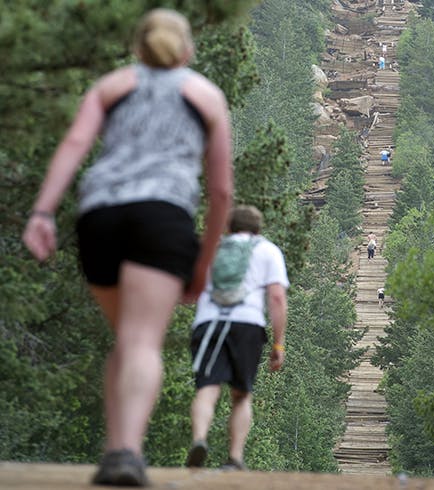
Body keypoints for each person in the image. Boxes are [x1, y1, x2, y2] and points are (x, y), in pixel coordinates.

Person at [21, 8, 233, 487]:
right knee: (142, 341)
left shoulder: (112, 86)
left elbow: (76, 142)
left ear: (138, 47)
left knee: (126, 337)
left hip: (101, 214)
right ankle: (127, 454)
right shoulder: (205, 96)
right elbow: (221, 192)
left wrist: (42, 212)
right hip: (163, 215)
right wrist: (205, 258)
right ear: (187, 50)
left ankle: (115, 450)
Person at [187, 205, 288, 471]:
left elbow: (189, 287)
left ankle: (199, 439)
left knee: (207, 388)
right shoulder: (268, 251)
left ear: (229, 227)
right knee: (241, 395)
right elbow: (277, 298)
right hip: (247, 323)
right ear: (258, 228)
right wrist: (278, 343)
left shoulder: (211, 249)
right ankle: (234, 457)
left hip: (209, 321)